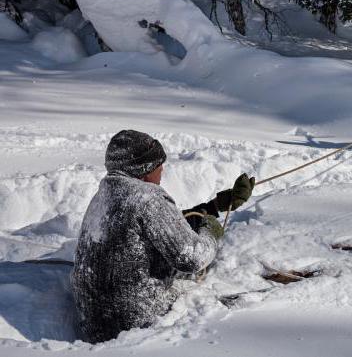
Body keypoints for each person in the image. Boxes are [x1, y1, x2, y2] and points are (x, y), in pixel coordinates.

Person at [71, 129, 254, 343]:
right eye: (159, 165)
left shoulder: (106, 193)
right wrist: (211, 230)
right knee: (231, 304)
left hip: (94, 322)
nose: (162, 171)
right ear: (145, 169)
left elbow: (159, 226)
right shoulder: (147, 197)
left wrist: (213, 207)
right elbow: (191, 258)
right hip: (136, 325)